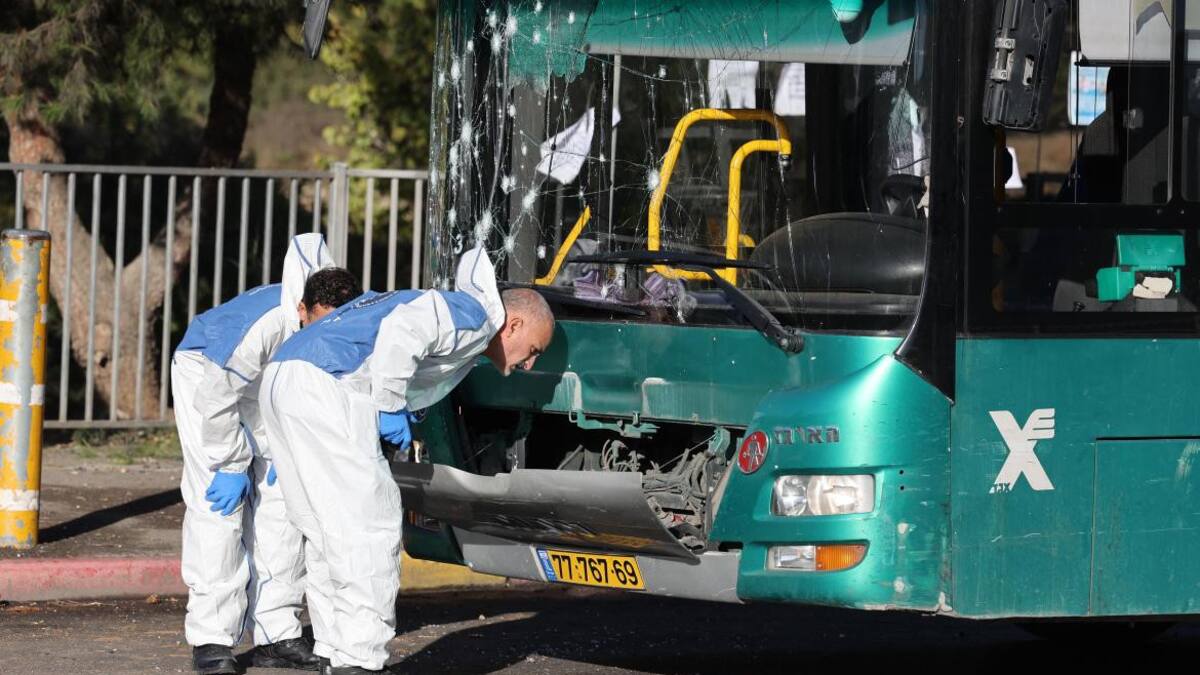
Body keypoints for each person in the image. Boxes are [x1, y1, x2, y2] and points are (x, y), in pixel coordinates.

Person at [259, 244, 554, 674]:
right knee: (369, 530)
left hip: (286, 375)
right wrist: (391, 401)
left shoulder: (457, 316)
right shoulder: (472, 315)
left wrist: (397, 400)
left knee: (326, 532)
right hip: (326, 385)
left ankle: (335, 652)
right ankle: (358, 662)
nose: (529, 364)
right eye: (534, 349)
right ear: (515, 324)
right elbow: (404, 331)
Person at [173, 233, 360, 675]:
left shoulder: (339, 317)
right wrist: (231, 463)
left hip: (265, 384)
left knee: (283, 504)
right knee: (218, 508)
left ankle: (278, 631)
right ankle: (211, 639)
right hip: (208, 374)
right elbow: (218, 397)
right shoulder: (266, 326)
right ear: (300, 308)